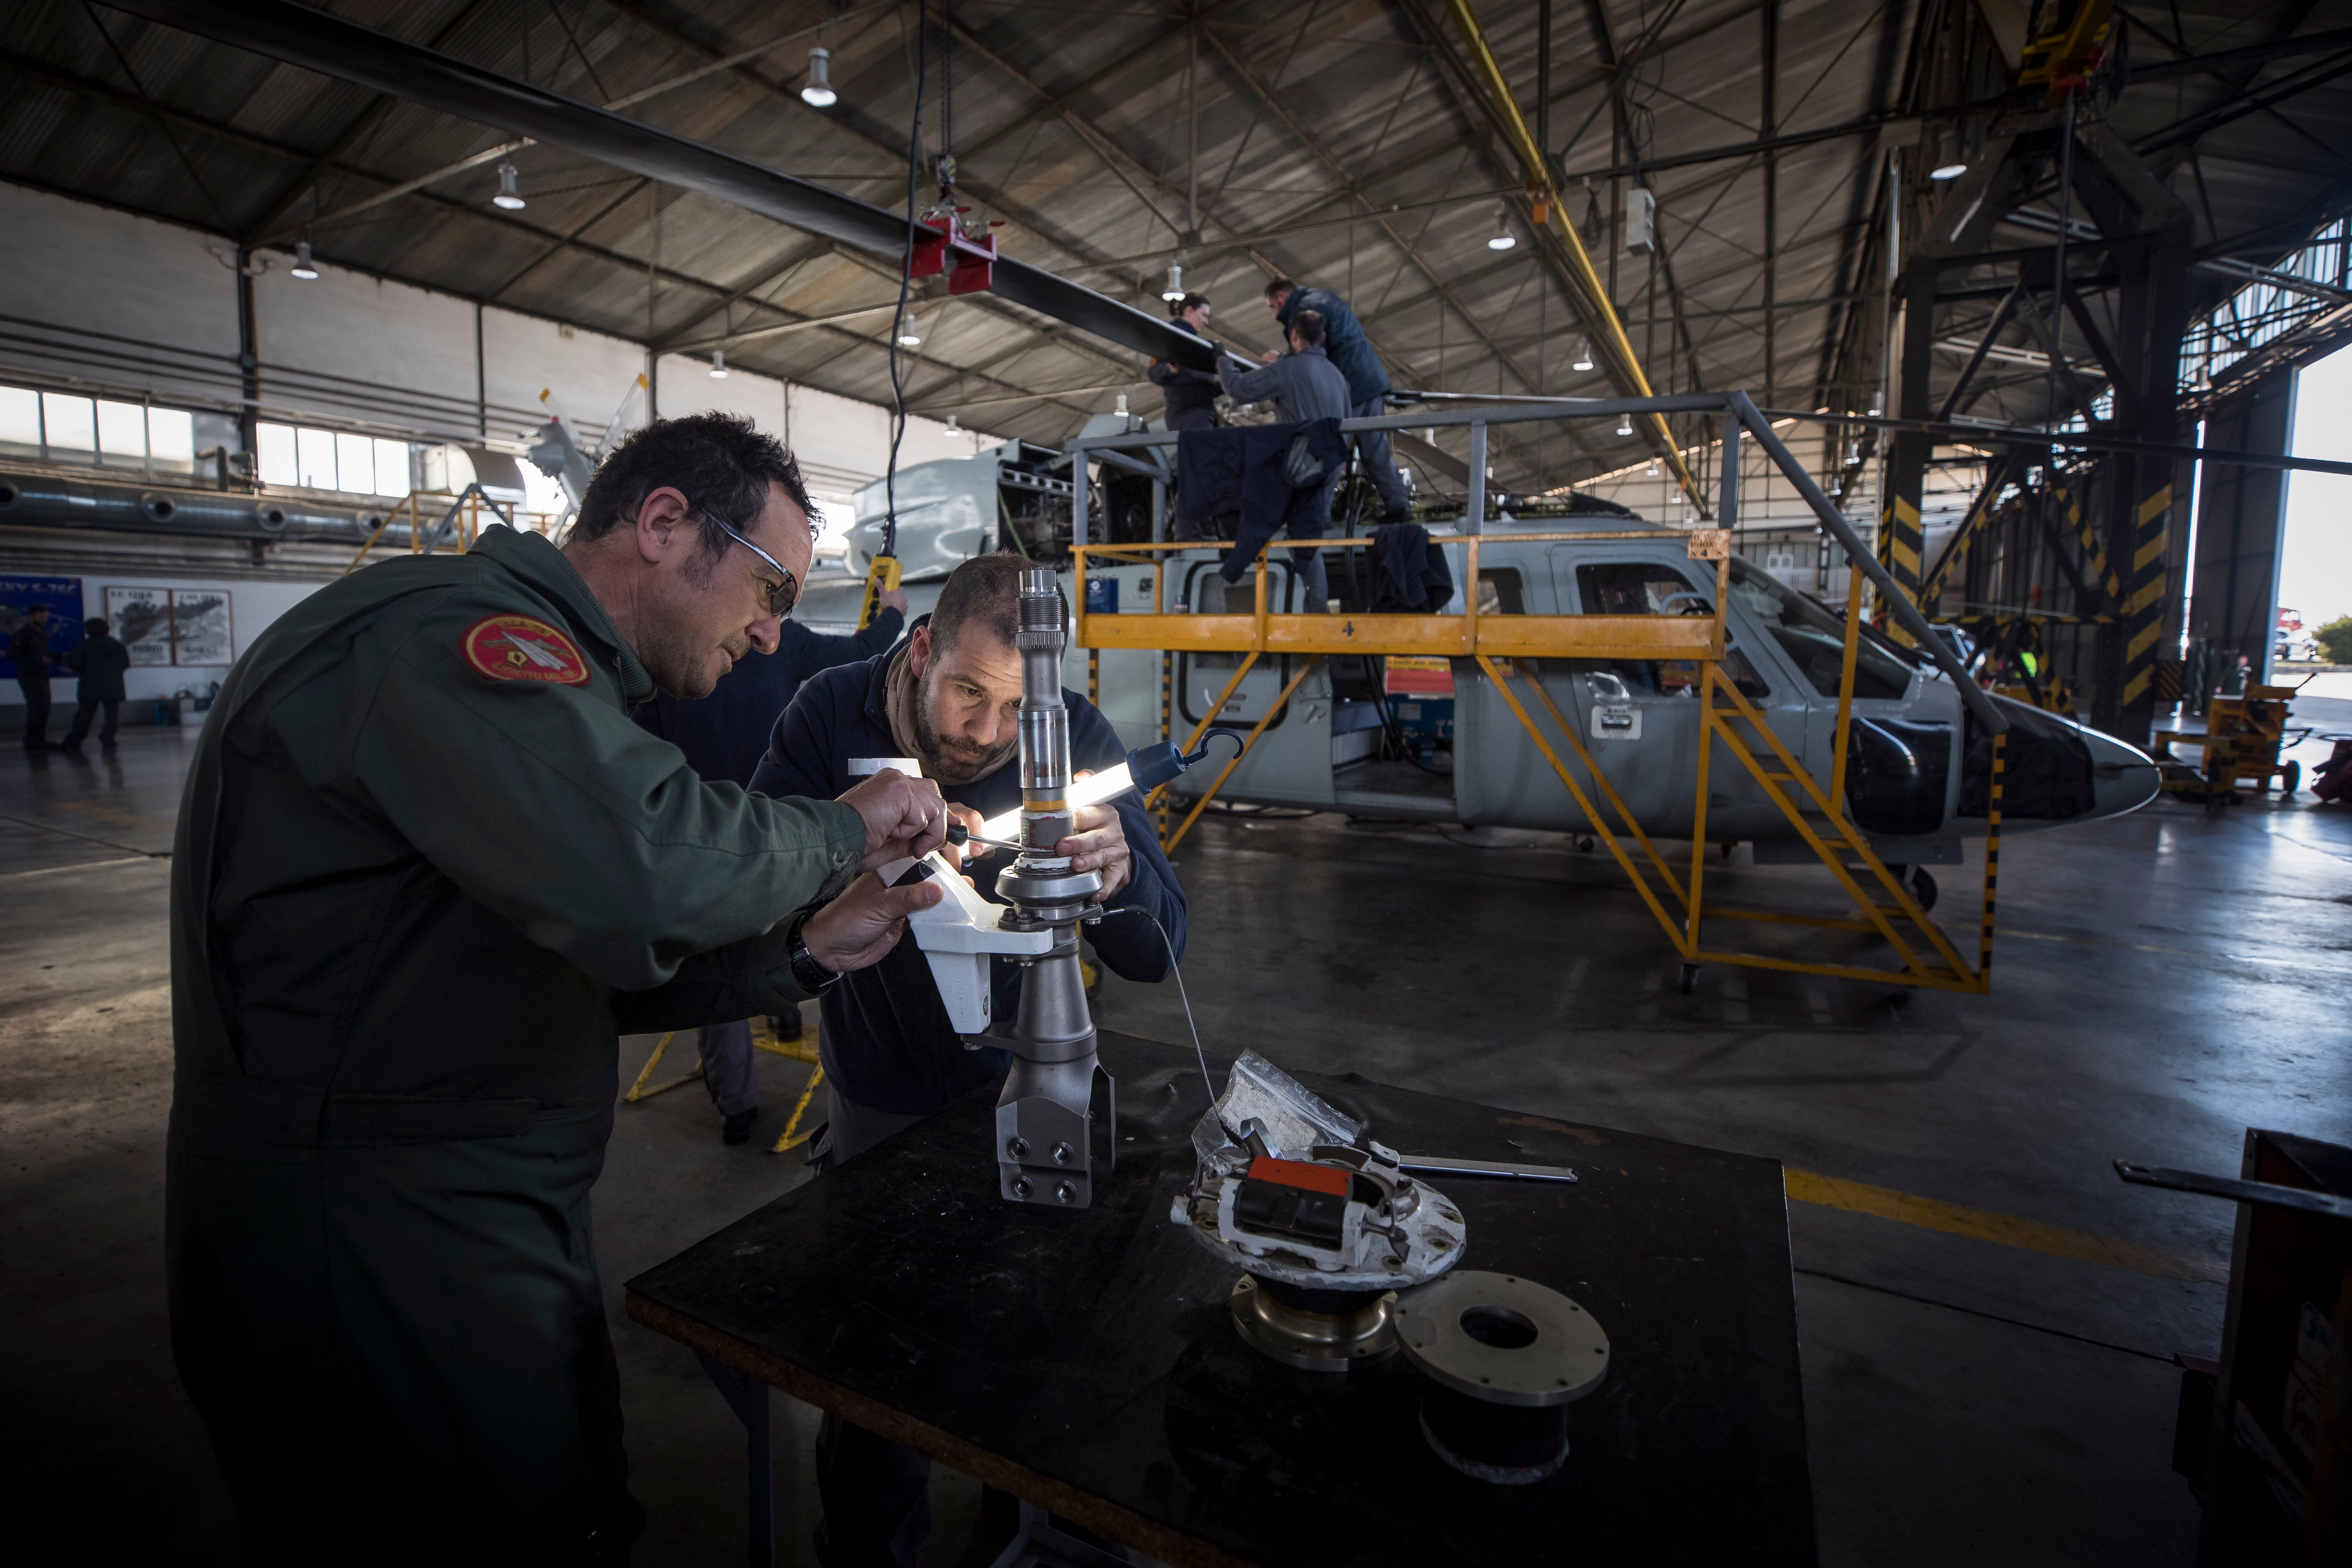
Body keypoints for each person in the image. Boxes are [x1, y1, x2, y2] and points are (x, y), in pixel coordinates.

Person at [166, 412, 957, 1564]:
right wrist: (842, 826)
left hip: (456, 1206)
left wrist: (801, 952)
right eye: (771, 586)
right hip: (369, 1238)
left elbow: (540, 963)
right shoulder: (454, 642)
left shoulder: (557, 679)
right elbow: (645, 863)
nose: (777, 636)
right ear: (664, 523)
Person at [748, 550, 1186, 1568]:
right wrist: (843, 846)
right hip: (881, 1099)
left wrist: (1117, 879)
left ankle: (1020, 1514)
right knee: (875, 1375)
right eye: (968, 695)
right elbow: (745, 892)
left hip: (1035, 1097)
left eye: (1014, 710)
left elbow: (1161, 949)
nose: (988, 735)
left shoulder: (1071, 736)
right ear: (918, 655)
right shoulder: (827, 714)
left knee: (1038, 1353)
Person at [632, 583, 911, 1142]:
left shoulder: (667, 667)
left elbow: (642, 761)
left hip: (702, 837)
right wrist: (893, 614)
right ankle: (783, 1019)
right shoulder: (785, 644)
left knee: (716, 954)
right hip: (780, 832)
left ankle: (736, 1106)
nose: (764, 631)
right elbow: (860, 652)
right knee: (790, 926)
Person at [1218, 308, 1354, 607]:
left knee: (1252, 507)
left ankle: (1237, 574)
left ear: (1294, 336)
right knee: (1307, 536)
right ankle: (1315, 605)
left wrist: (1223, 360)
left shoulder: (1288, 369)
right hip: (1331, 466)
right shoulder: (1338, 377)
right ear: (1323, 338)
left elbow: (1238, 390)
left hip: (1301, 466)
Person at [1263, 275, 1412, 523]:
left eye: (1273, 306)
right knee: (1376, 451)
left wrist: (1281, 361)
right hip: (1370, 380)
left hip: (1347, 387)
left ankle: (1318, 515)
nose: (1274, 314)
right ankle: (1399, 508)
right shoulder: (1325, 296)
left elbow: (1311, 353)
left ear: (1281, 297)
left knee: (1329, 449)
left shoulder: (1302, 311)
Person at [1147, 291, 1220, 432]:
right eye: (1204, 315)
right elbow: (1153, 373)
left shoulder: (1199, 347)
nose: (1206, 322)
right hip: (1188, 414)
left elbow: (1204, 386)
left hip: (1203, 414)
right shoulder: (1171, 337)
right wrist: (1170, 368)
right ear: (1189, 311)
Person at [60, 616, 129, 754]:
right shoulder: (117, 646)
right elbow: (125, 664)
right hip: (113, 685)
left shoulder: (85, 646)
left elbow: (74, 662)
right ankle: (108, 738)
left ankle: (75, 741)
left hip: (90, 685)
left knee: (85, 716)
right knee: (112, 716)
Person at [10, 602, 54, 752]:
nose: (45, 620)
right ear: (31, 617)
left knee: (43, 708)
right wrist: (38, 660)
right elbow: (15, 655)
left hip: (41, 675)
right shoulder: (22, 635)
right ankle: (33, 742)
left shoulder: (39, 634)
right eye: (41, 617)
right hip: (30, 676)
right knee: (36, 708)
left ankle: (40, 740)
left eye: (46, 617)